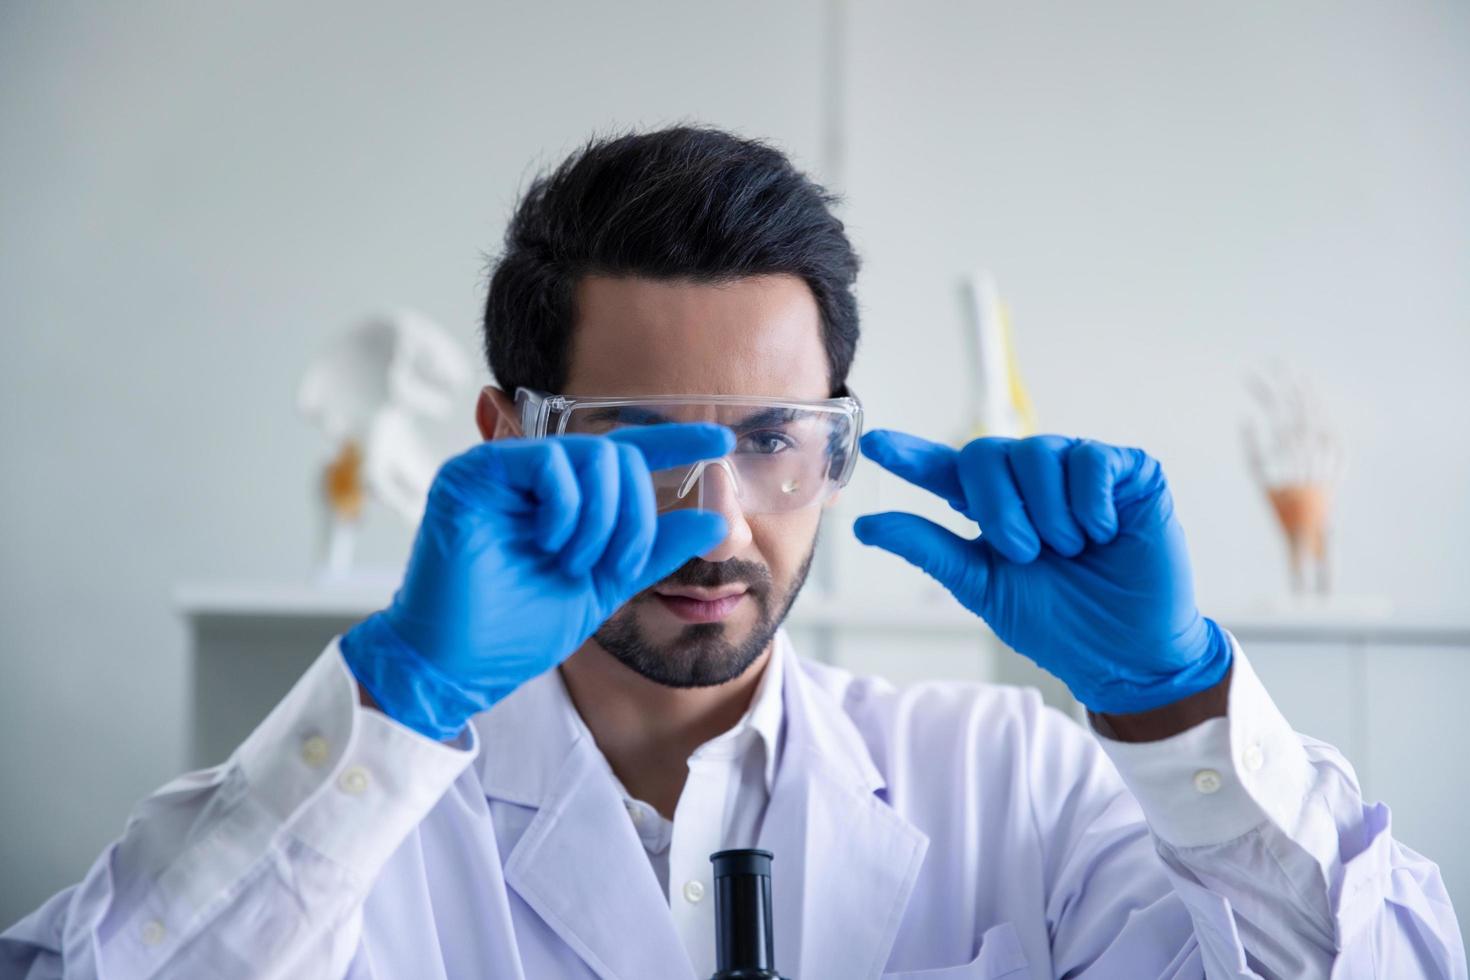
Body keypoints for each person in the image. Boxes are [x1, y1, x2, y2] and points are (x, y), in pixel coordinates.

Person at [2, 126, 1463, 980]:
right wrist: (396, 706)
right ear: (508, 436)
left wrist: (1172, 702)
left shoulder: (1010, 786)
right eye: (638, 439)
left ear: (837, 442)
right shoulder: (355, 825)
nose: (716, 513)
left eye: (775, 434)